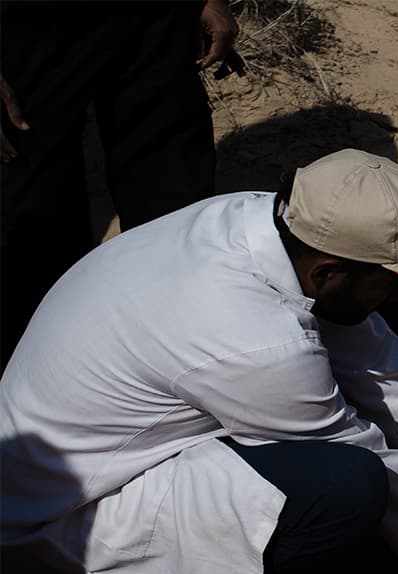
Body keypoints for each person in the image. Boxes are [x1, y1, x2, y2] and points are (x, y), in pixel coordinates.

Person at [0, 149, 398, 574]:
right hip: (73, 506)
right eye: (394, 277)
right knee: (349, 486)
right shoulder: (255, 340)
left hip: (128, 413)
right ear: (326, 272)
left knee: (377, 320)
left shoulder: (267, 219)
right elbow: (355, 447)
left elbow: (375, 360)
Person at [0, 0, 238, 367]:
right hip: (21, 23)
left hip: (153, 18)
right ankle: (36, 384)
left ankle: (168, 370)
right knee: (30, 228)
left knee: (175, 215)